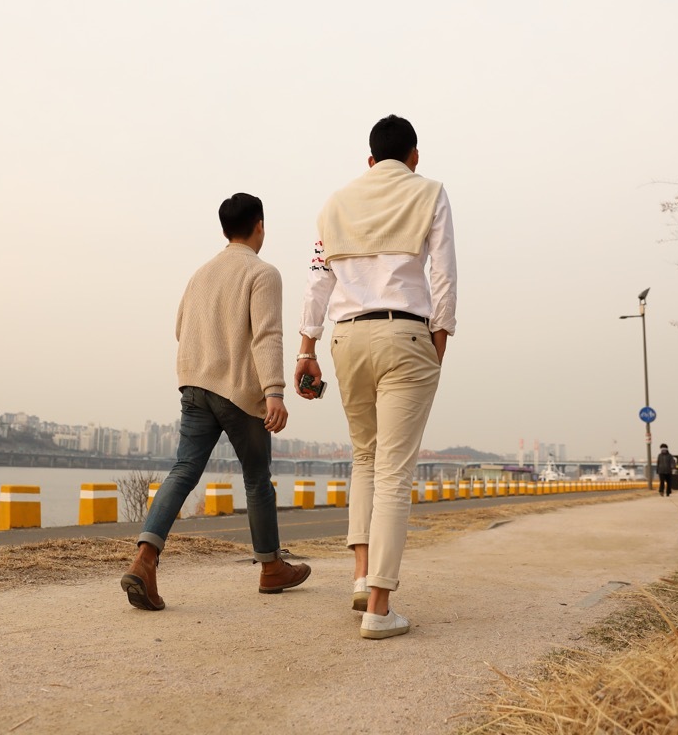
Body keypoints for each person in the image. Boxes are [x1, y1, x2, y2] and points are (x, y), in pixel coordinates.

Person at [296, 115, 457, 640]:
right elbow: (443, 272)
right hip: (405, 334)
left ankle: (362, 577)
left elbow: (318, 278)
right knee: (394, 470)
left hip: (346, 339)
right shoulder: (429, 192)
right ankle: (379, 610)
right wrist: (441, 335)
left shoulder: (335, 203)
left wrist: (306, 345)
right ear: (414, 155)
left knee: (363, 457)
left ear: (369, 161)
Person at [120, 193, 310, 611]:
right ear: (259, 225)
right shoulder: (263, 273)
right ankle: (271, 567)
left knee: (184, 470)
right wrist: (274, 391)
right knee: (257, 477)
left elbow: (179, 328)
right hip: (239, 390)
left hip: (193, 385)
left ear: (225, 229)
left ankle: (145, 560)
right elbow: (267, 335)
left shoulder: (200, 275)